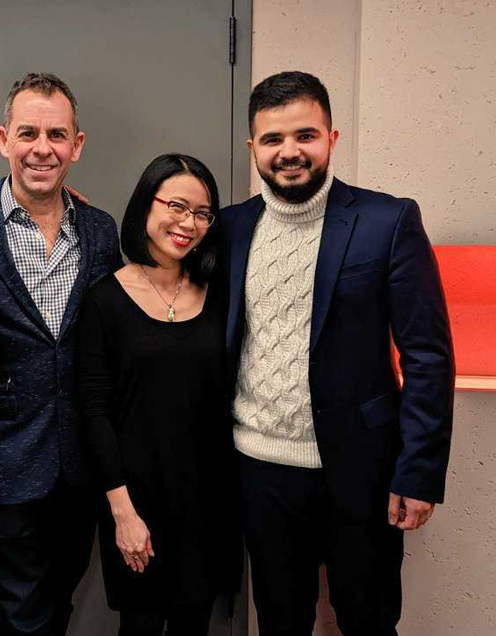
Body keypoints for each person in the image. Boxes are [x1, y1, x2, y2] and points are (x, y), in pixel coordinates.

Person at [220, 70, 455, 636]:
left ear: (332, 138)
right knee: (279, 622)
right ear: (253, 148)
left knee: (368, 620)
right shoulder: (229, 229)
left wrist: (418, 472)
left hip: (361, 471)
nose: (290, 152)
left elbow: (427, 355)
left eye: (305, 135)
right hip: (258, 470)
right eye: (273, 140)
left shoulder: (388, 220)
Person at [0, 72, 122, 636]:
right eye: (28, 133)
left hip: (82, 465)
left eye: (57, 135)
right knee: (24, 614)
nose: (41, 148)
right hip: (5, 461)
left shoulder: (100, 230)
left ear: (77, 145)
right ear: (4, 139)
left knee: (58, 605)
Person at [76, 154, 239, 636]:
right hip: (136, 504)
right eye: (177, 206)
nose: (188, 223)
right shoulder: (104, 299)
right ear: (146, 205)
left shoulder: (220, 294)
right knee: (141, 625)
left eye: (203, 213)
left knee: (195, 624)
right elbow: (95, 412)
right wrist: (123, 514)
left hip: (208, 504)